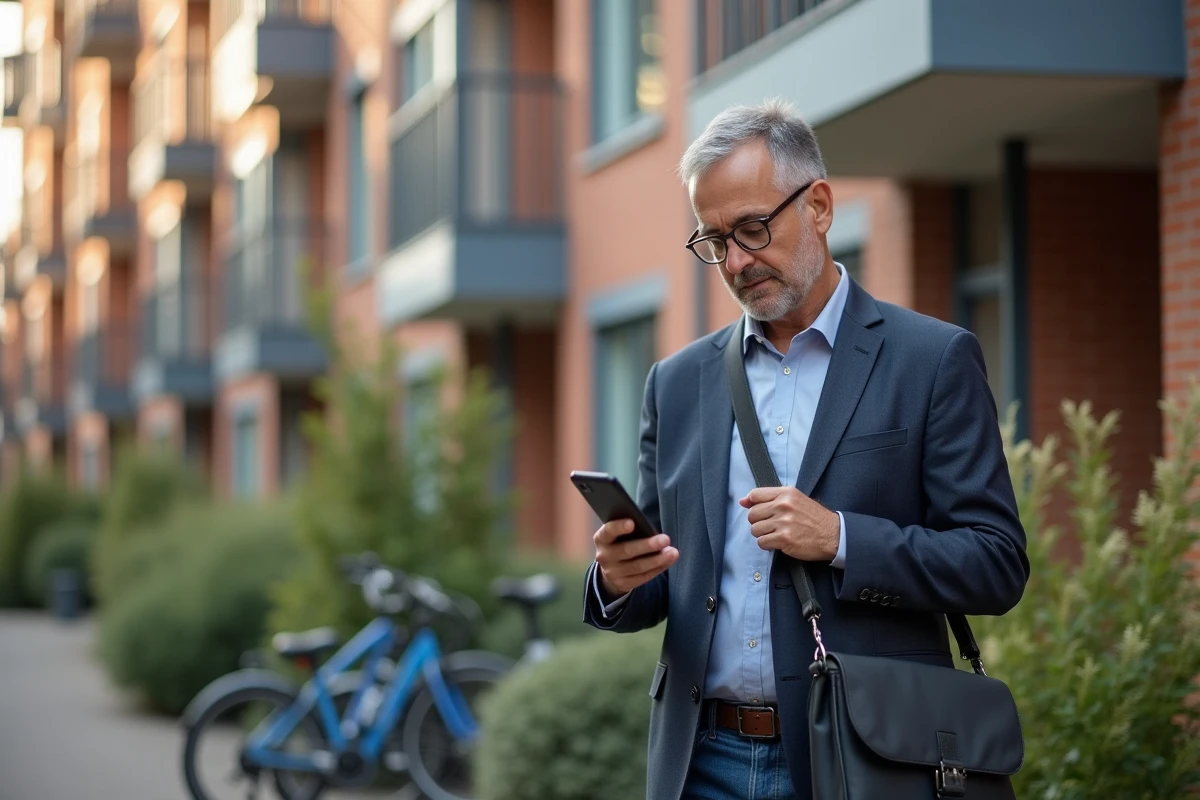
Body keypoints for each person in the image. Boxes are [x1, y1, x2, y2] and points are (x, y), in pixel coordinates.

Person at [581, 99, 1030, 800]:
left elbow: (996, 564)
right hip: (699, 763)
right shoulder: (676, 383)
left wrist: (842, 538)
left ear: (818, 205)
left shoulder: (932, 359)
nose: (735, 260)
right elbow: (665, 579)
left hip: (861, 756)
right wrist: (617, 578)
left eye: (753, 229)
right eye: (714, 239)